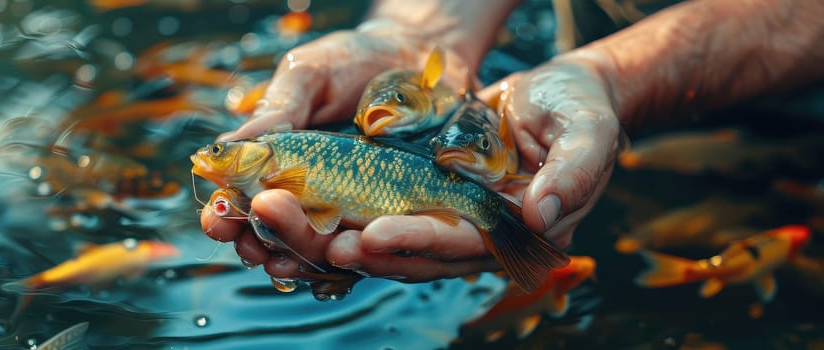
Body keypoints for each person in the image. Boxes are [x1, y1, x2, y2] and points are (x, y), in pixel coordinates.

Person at [203, 0, 824, 283]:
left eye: (225, 152)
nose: (215, 158)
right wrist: (419, 29)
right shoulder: (280, 165)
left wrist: (612, 76)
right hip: (603, 74)